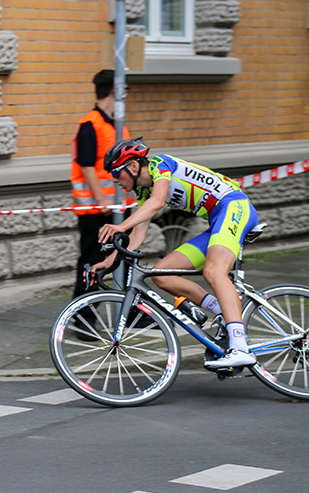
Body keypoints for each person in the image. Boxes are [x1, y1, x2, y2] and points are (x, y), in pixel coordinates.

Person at [90, 137, 259, 369]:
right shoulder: (143, 190)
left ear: (132, 166)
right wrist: (108, 262)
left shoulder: (161, 164)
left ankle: (240, 348)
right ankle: (225, 310)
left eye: (116, 172)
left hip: (233, 206)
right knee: (161, 274)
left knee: (214, 272)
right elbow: (138, 237)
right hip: (216, 220)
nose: (115, 179)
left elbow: (158, 201)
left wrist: (120, 226)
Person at [70, 69, 135, 301]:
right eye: (124, 91)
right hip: (97, 211)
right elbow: (86, 165)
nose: (126, 96)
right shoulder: (90, 125)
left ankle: (134, 309)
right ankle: (83, 313)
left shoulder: (118, 125)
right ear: (114, 91)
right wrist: (101, 199)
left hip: (120, 206)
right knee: (92, 261)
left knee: (128, 257)